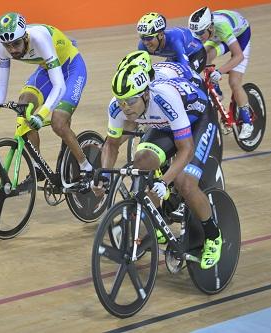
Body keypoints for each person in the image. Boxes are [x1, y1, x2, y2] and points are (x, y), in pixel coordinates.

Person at [93, 62, 222, 269]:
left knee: (185, 183)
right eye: (121, 102)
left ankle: (213, 235)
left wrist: (164, 180)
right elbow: (111, 144)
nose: (125, 108)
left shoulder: (164, 98)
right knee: (141, 162)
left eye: (131, 101)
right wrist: (104, 177)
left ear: (145, 94)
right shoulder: (118, 107)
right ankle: (158, 218)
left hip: (197, 120)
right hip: (163, 124)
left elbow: (186, 149)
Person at [0, 12, 93, 178]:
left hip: (71, 68)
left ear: (25, 37)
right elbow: (2, 83)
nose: (12, 50)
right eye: (7, 45)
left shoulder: (40, 39)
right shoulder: (2, 48)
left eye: (16, 44)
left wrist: (42, 114)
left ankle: (86, 167)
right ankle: (38, 167)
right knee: (24, 106)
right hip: (47, 69)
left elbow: (59, 85)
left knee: (58, 122)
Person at [188, 7, 253, 139]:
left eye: (200, 33)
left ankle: (248, 122)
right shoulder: (205, 30)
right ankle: (217, 91)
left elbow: (238, 56)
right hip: (219, 36)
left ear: (209, 28)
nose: (197, 36)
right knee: (204, 54)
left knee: (234, 82)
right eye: (195, 33)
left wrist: (219, 71)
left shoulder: (221, 26)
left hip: (240, 36)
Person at [136, 12, 206, 73]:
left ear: (160, 34)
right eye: (142, 38)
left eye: (149, 38)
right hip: (175, 56)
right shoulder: (142, 46)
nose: (145, 43)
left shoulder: (175, 40)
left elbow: (186, 68)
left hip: (196, 54)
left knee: (188, 79)